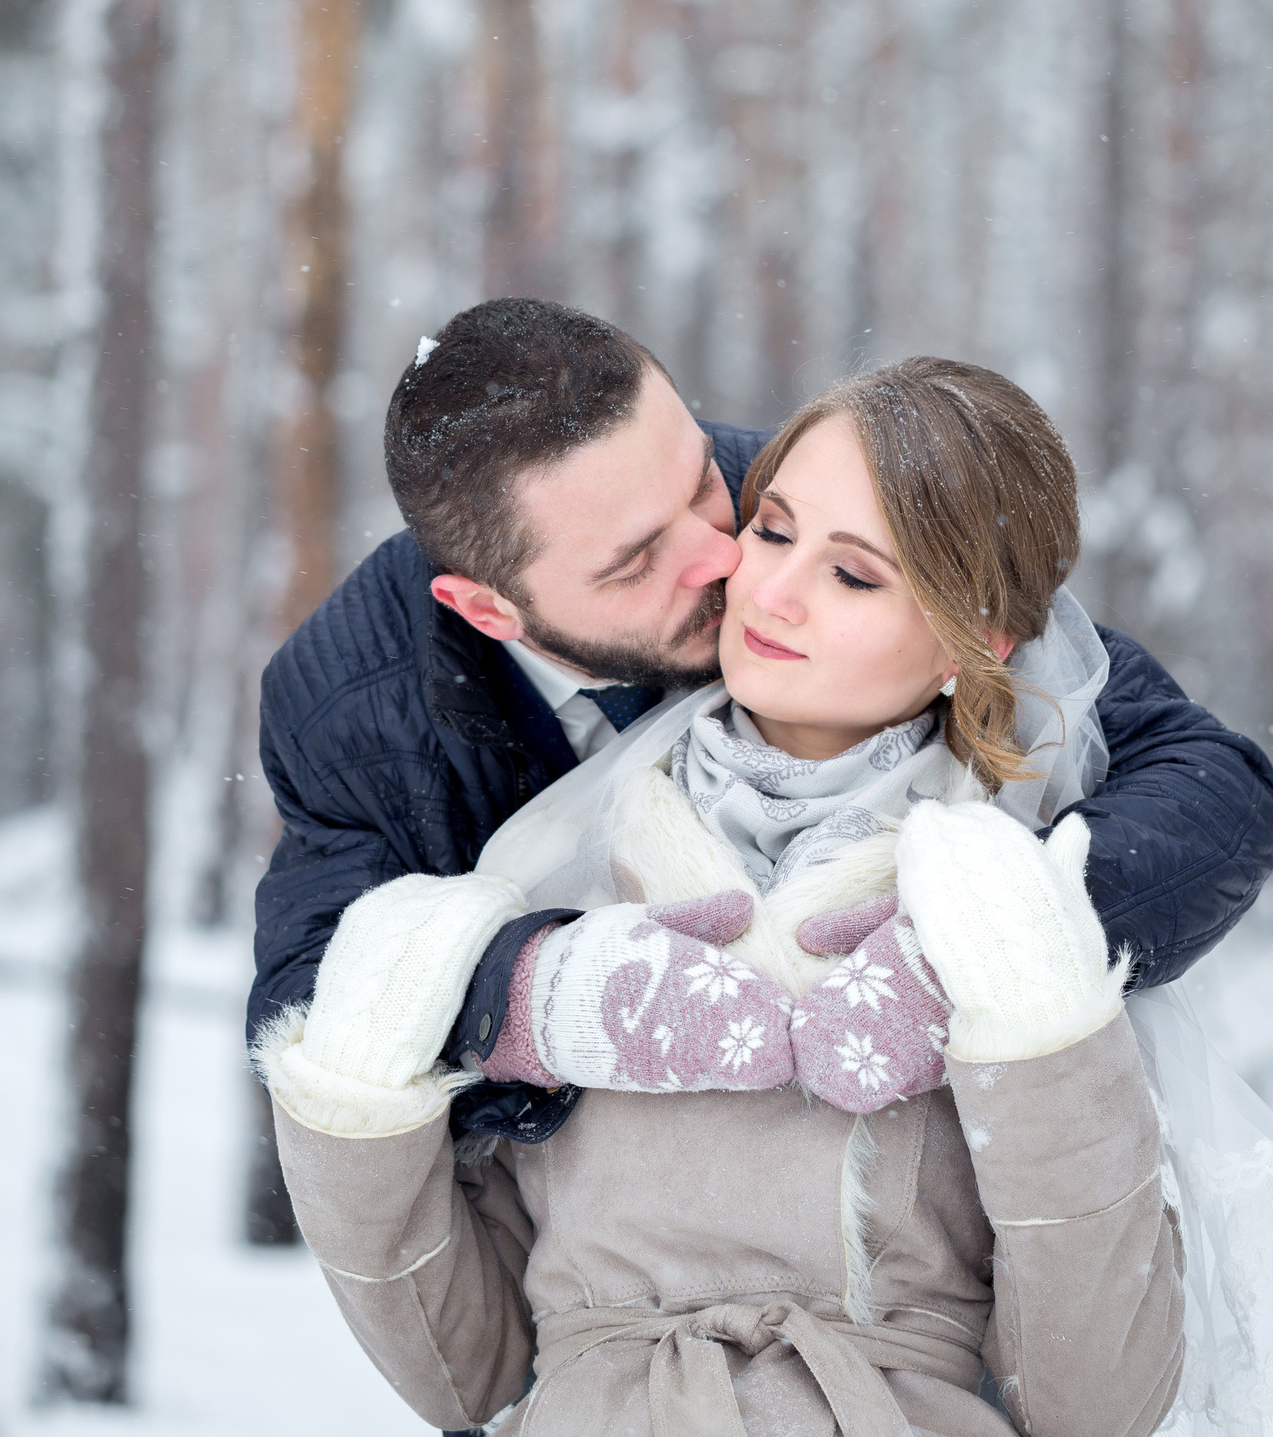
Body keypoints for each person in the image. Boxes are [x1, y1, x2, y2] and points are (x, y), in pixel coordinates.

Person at [261, 360, 1190, 1435]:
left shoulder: (1009, 902)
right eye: (778, 530)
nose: (752, 579)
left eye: (855, 576)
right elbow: (467, 1371)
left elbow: (1097, 1403)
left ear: (974, 642)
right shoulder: (546, 863)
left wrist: (1025, 1017)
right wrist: (457, 1005)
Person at [246, 300, 1273, 1145]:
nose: (730, 559)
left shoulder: (803, 499)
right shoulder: (351, 709)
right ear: (489, 612)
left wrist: (974, 951)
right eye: (636, 562)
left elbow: (1206, 785)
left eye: (704, 482)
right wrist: (536, 993)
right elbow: (305, 998)